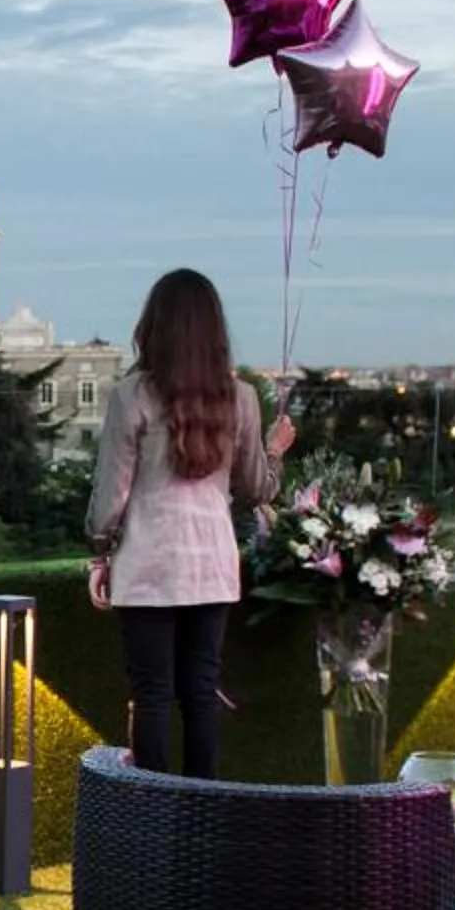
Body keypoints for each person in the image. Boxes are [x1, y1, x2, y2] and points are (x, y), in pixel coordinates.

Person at [83, 269, 293, 777]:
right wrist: (276, 450)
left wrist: (99, 548)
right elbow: (257, 489)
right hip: (212, 564)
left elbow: (112, 494)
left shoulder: (132, 395)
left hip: (148, 562)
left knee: (152, 695)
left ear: (153, 325)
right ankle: (205, 813)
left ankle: (156, 816)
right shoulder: (240, 397)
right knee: (201, 691)